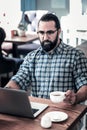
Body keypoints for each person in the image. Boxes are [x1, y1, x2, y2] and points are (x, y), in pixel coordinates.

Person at [5, 13, 87, 105]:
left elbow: (84, 85)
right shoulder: (31, 57)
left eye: (50, 32)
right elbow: (18, 80)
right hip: (38, 112)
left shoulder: (76, 55)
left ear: (59, 32)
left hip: (65, 112)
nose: (45, 37)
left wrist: (76, 97)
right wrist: (5, 93)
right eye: (41, 32)